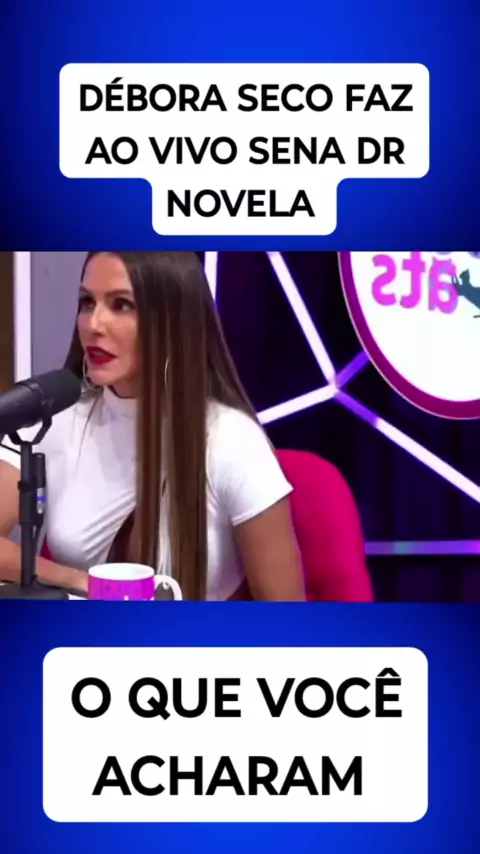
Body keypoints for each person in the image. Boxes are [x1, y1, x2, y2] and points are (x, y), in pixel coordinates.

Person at [0, 252, 305, 600]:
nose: (94, 324)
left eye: (121, 305)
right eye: (87, 302)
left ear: (173, 320)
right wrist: (83, 582)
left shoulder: (233, 439)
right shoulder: (53, 419)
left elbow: (285, 617)